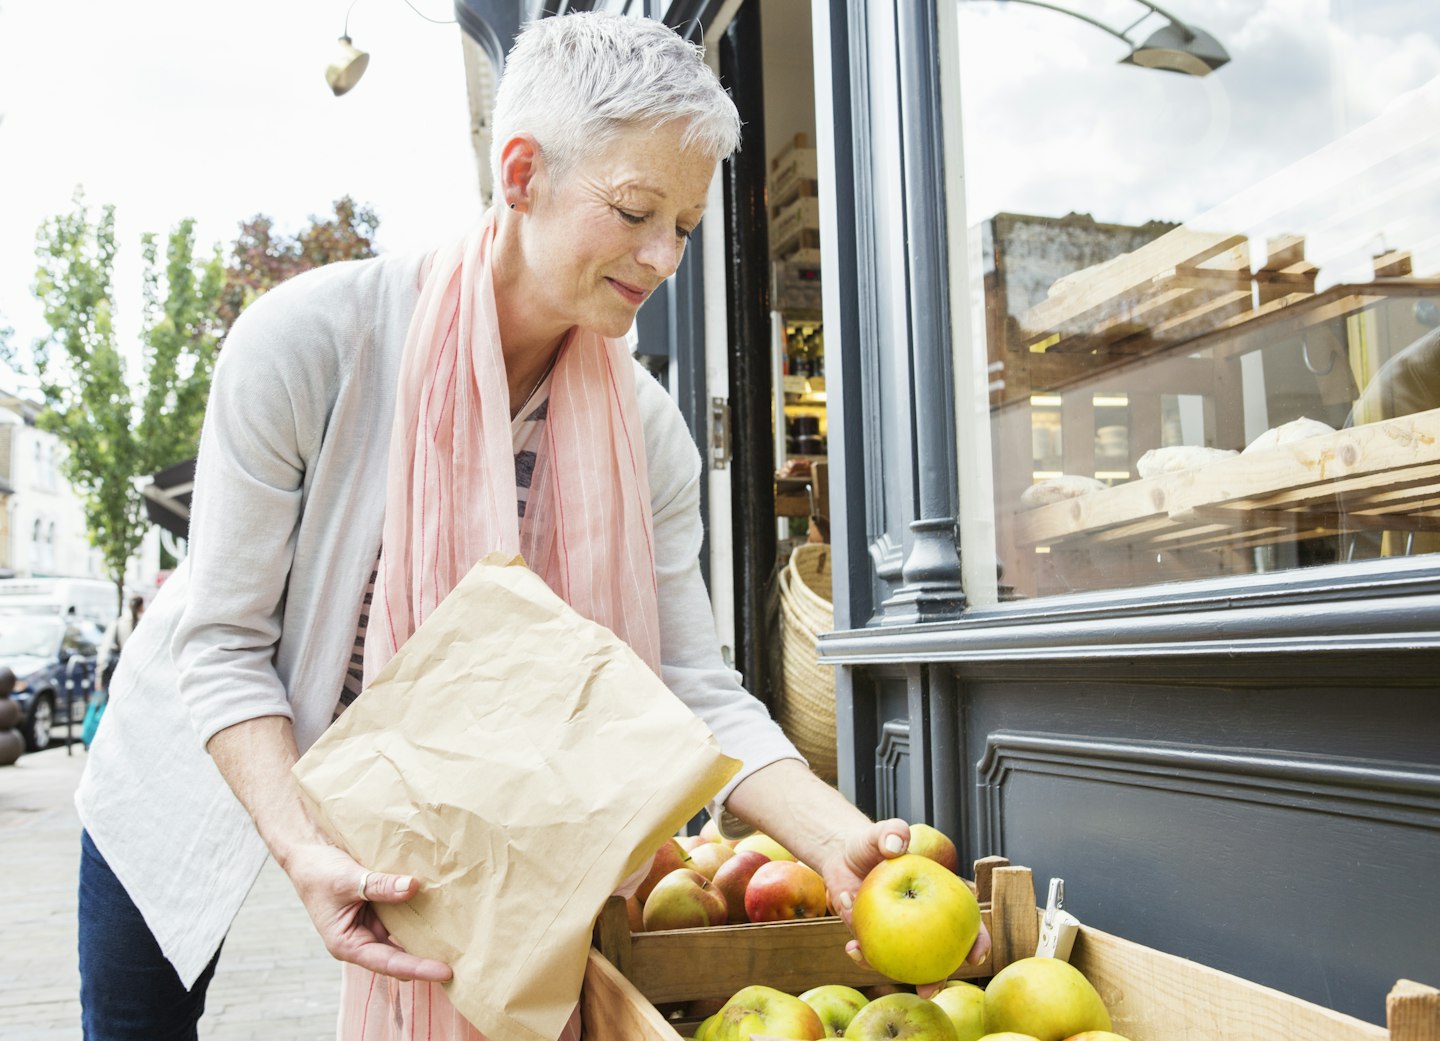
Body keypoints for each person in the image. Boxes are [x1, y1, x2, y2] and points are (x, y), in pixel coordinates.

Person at [74, 13, 988, 1041]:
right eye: (638, 209)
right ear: (519, 173)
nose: (664, 255)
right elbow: (226, 644)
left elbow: (686, 688)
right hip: (208, 750)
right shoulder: (306, 344)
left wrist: (837, 840)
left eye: (684, 225)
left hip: (444, 808)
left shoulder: (647, 435)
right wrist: (298, 844)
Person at [96, 596, 145, 692]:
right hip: (136, 675)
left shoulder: (118, 624)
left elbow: (104, 652)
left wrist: (99, 676)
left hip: (117, 672)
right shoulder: (144, 625)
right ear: (141, 607)